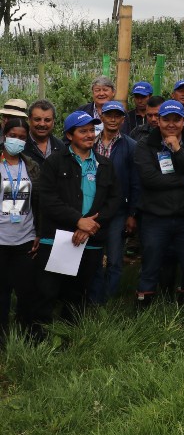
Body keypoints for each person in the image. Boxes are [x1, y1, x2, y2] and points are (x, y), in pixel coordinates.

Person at [32, 111, 120, 331]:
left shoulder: (105, 164)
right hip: (59, 238)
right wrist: (78, 221)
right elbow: (48, 199)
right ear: (70, 135)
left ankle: (68, 336)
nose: (90, 135)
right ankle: (38, 337)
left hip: (90, 239)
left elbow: (115, 199)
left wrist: (90, 227)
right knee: (47, 291)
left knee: (78, 292)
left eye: (92, 130)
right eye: (83, 131)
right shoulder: (55, 162)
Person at [133, 99, 184, 308]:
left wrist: (177, 150)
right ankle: (144, 308)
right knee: (151, 265)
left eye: (176, 119)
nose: (171, 124)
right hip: (154, 218)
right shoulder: (145, 144)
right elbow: (149, 179)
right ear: (158, 120)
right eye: (166, 119)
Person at [88, 100, 140, 305]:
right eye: (108, 114)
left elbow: (135, 181)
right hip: (93, 209)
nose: (112, 119)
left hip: (118, 210)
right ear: (101, 116)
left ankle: (108, 300)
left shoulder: (130, 145)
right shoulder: (91, 142)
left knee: (115, 258)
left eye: (117, 115)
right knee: (93, 256)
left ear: (122, 119)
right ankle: (93, 297)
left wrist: (132, 213)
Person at [0, 117, 41, 341]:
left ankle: (27, 332)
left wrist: (39, 232)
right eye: (13, 136)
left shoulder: (32, 166)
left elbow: (40, 202)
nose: (17, 140)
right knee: (1, 292)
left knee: (27, 291)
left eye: (22, 137)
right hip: (1, 240)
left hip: (25, 239)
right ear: (4, 135)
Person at [24, 99, 64, 165]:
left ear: (53, 121)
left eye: (47, 120)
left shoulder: (60, 146)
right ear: (29, 120)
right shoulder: (21, 146)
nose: (42, 124)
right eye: (37, 119)